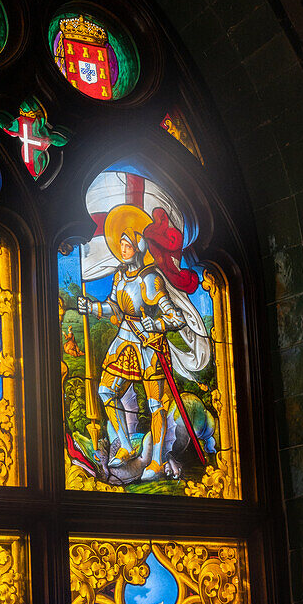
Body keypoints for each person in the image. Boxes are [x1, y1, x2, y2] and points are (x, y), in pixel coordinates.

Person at [78, 204, 210, 480]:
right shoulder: (119, 277)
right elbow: (114, 308)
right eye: (120, 245)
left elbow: (175, 316)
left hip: (148, 347)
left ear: (138, 244)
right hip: (124, 343)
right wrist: (91, 307)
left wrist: (157, 324)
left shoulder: (150, 279)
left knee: (156, 406)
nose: (121, 249)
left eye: (126, 244)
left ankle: (158, 461)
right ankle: (125, 446)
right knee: (105, 392)